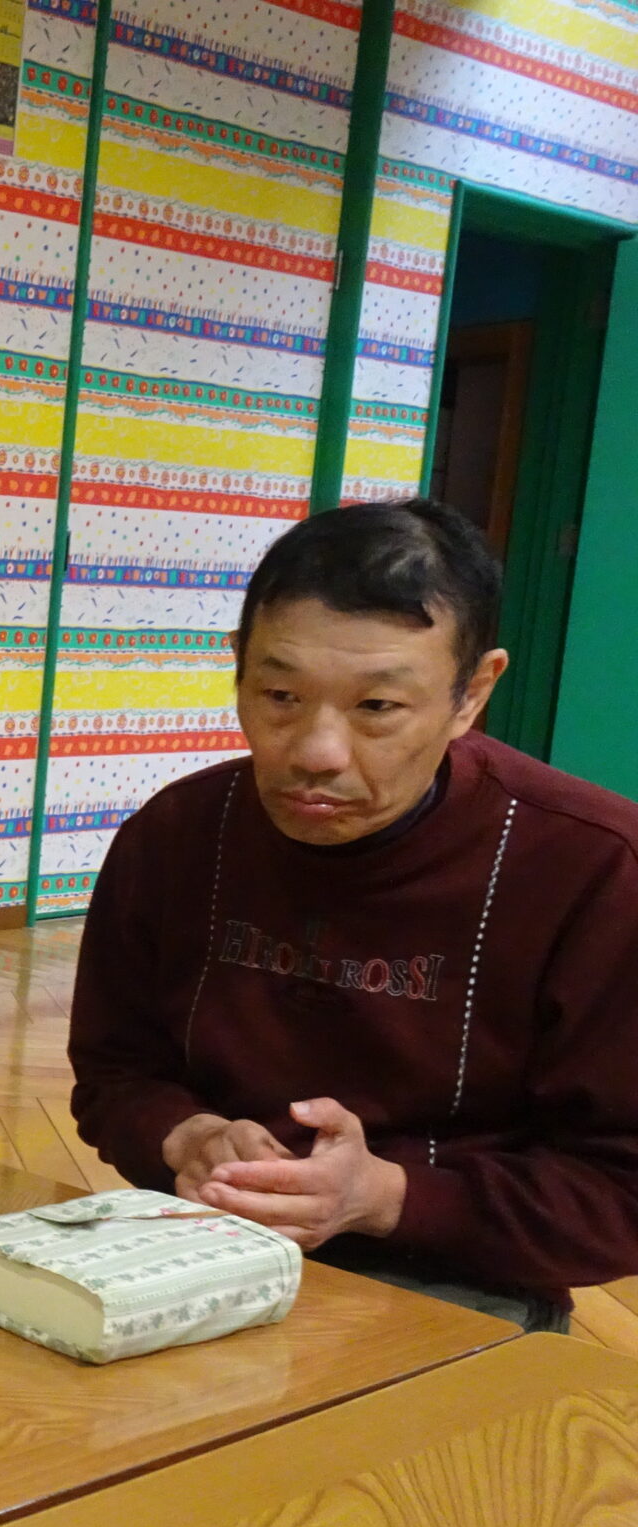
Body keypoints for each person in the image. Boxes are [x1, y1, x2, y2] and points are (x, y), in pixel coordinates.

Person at [69, 498, 638, 1331]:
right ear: (237, 666)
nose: (315, 752)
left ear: (471, 694)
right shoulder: (179, 833)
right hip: (200, 1246)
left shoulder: (595, 867)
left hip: (458, 1277)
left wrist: (385, 1198)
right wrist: (183, 1136)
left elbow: (621, 1189)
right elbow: (115, 1071)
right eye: (280, 695)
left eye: (377, 709)